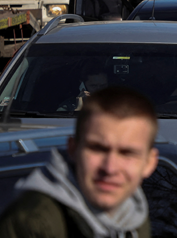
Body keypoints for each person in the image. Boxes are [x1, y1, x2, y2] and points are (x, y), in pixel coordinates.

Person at [0, 87, 159, 238]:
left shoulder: (133, 217)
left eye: (127, 153)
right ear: (73, 149)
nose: (110, 167)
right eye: (97, 148)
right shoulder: (34, 223)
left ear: (149, 163)